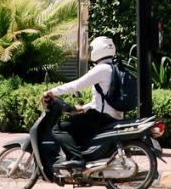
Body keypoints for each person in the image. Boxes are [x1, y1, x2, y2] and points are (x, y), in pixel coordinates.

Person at [44, 35, 121, 164]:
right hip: (113, 116)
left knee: (58, 129)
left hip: (99, 117)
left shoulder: (101, 69)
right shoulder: (114, 68)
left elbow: (76, 85)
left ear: (97, 50)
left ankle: (76, 159)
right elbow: (103, 100)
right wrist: (82, 108)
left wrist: (52, 91)